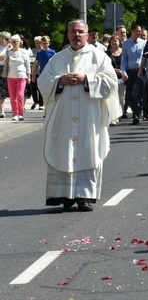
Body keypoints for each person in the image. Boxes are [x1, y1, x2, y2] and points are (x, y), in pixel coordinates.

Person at [38, 19, 120, 212]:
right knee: (63, 150)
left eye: (80, 32)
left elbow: (111, 83)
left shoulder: (99, 57)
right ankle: (64, 195)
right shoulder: (57, 58)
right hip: (64, 117)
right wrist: (60, 80)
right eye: (73, 31)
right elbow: (43, 81)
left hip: (89, 117)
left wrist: (87, 80)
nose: (77, 35)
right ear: (68, 34)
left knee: (88, 151)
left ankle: (84, 197)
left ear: (87, 34)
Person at [121, 24, 145, 124]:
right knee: (131, 94)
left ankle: (137, 114)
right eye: (137, 31)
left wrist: (143, 68)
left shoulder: (143, 43)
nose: (139, 33)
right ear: (132, 31)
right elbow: (124, 59)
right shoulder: (126, 44)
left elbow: (145, 57)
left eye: (140, 31)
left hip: (140, 71)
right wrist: (124, 71)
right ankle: (135, 111)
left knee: (139, 93)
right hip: (130, 72)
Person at [4, 35, 31, 121]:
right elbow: (3, 60)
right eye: (13, 41)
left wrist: (29, 76)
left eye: (17, 41)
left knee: (20, 95)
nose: (15, 43)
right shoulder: (8, 51)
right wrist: (5, 60)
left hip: (22, 76)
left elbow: (27, 64)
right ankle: (15, 114)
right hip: (11, 76)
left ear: (20, 42)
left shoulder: (24, 51)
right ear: (11, 43)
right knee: (12, 96)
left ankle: (21, 113)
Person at [30, 36, 55, 113]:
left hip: (51, 74)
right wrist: (33, 75)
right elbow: (36, 64)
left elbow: (55, 63)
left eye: (46, 43)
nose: (45, 45)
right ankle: (45, 109)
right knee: (43, 92)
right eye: (43, 43)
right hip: (42, 75)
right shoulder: (39, 53)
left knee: (51, 92)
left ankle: (50, 109)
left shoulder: (52, 52)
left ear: (49, 43)